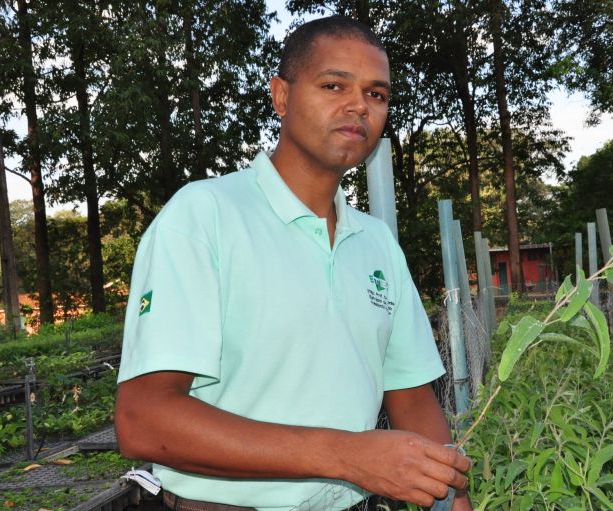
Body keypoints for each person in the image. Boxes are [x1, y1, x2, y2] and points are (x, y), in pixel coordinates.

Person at [115, 15, 473, 511]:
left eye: (377, 94)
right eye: (333, 85)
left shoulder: (376, 243)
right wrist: (346, 456)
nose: (358, 106)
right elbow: (143, 419)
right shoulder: (205, 216)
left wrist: (450, 495)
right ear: (281, 96)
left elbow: (411, 397)